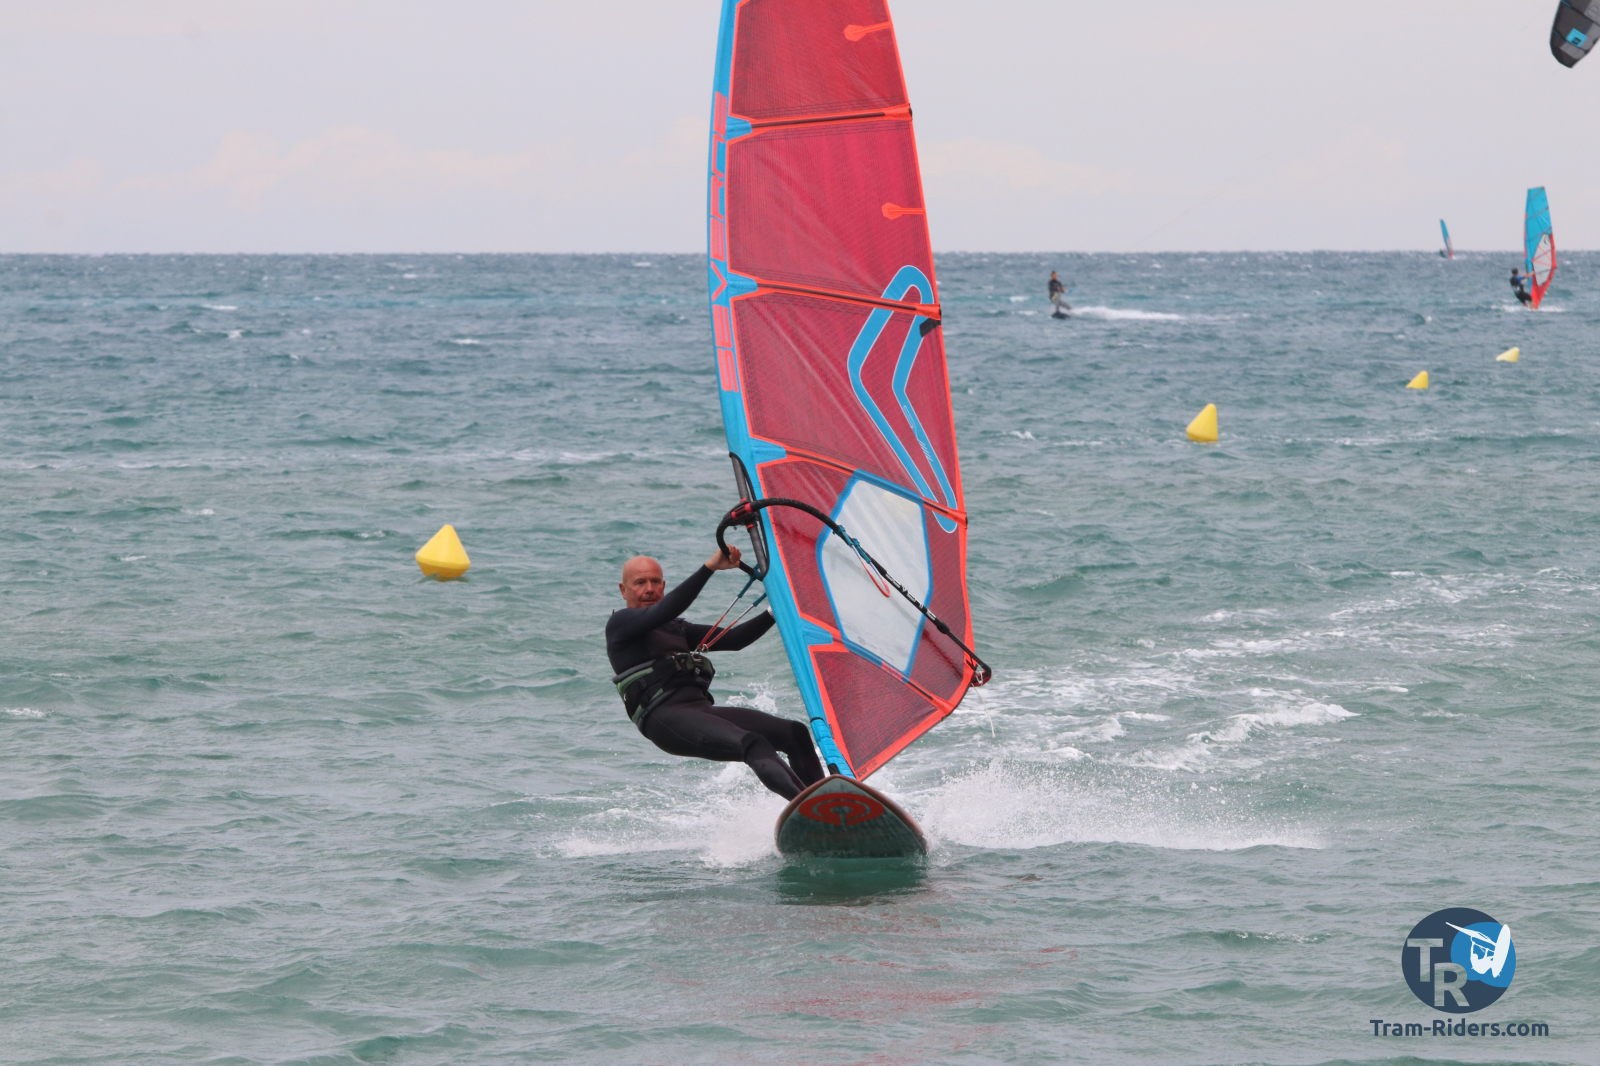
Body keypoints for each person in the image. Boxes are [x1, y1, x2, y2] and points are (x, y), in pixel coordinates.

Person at [606, 547, 825, 799]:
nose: (649, 589)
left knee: (794, 734)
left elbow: (735, 639)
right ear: (623, 590)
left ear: (663, 586)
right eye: (640, 583)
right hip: (664, 719)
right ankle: (810, 808)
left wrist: (776, 610)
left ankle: (828, 801)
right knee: (752, 743)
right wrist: (709, 568)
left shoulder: (675, 628)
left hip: (700, 711)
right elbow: (666, 609)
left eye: (655, 582)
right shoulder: (620, 624)